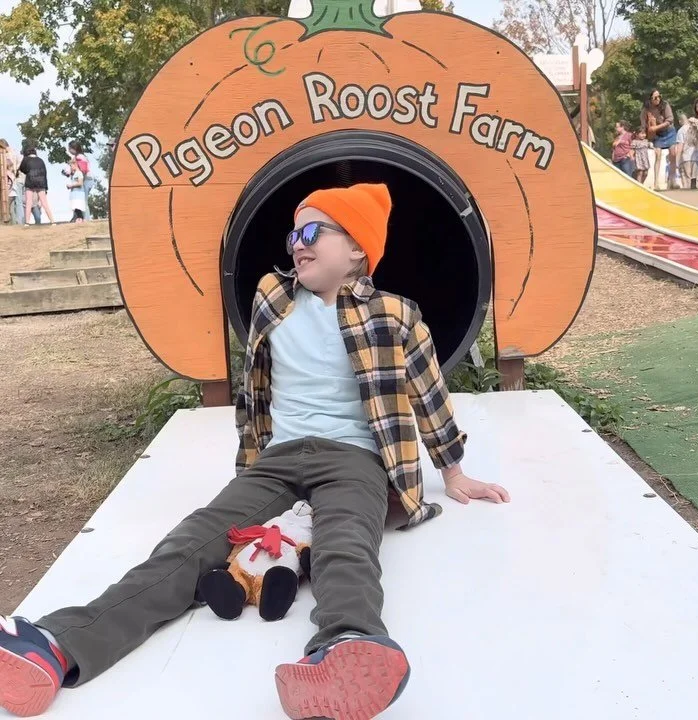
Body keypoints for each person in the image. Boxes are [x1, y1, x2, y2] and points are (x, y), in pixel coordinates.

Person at [0, 182, 511, 720]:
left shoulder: (396, 314)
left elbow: (429, 395)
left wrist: (453, 472)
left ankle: (349, 643)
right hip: (278, 460)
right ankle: (57, 646)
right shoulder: (272, 297)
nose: (297, 245)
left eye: (312, 233)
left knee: (345, 543)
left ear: (357, 248)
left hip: (354, 460)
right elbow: (255, 390)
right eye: (293, 235)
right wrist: (248, 465)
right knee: (192, 540)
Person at [640, 89, 679, 190]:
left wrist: (656, 127)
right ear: (650, 98)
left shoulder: (665, 105)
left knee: (673, 154)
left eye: (659, 97)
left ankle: (673, 180)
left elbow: (670, 119)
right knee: (657, 155)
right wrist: (644, 133)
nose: (658, 99)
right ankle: (656, 183)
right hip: (657, 134)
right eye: (655, 97)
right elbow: (643, 124)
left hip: (669, 131)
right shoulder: (646, 109)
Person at [18, 147, 54, 226]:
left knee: (28, 202)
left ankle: (27, 222)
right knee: (44, 203)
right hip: (41, 182)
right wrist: (46, 187)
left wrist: (28, 171)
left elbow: (22, 169)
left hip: (30, 181)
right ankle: (52, 221)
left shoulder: (26, 159)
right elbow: (44, 173)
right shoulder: (41, 160)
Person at [675, 112, 698, 189]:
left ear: (680, 121)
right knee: (694, 176)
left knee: (688, 176)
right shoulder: (696, 128)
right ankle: (694, 189)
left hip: (686, 156)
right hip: (696, 154)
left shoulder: (681, 130)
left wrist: (677, 161)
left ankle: (690, 192)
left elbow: (680, 147)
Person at [68, 141, 93, 210]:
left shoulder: (79, 157)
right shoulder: (79, 156)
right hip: (86, 179)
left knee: (83, 202)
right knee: (82, 201)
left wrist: (79, 181)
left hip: (86, 180)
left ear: (74, 148)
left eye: (69, 148)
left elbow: (83, 170)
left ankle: (85, 216)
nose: (69, 150)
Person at [66, 158, 86, 222]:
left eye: (71, 166)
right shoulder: (74, 174)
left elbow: (80, 183)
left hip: (78, 194)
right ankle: (79, 219)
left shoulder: (79, 173)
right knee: (75, 207)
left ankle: (80, 219)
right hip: (74, 194)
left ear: (75, 165)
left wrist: (71, 185)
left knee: (78, 207)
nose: (71, 168)